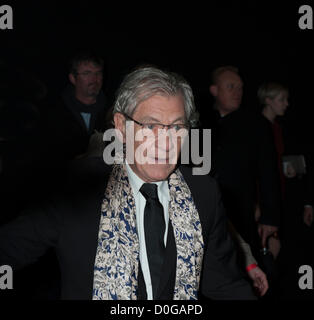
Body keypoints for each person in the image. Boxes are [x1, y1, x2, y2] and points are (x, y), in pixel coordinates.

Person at [0, 66, 256, 300]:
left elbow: (225, 285)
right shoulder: (76, 188)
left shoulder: (203, 193)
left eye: (177, 127)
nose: (165, 143)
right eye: (150, 126)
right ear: (121, 126)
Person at [207, 66, 282, 286]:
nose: (237, 92)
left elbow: (269, 172)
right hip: (207, 211)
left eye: (240, 87)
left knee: (244, 271)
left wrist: (270, 217)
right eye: (231, 87)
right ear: (214, 90)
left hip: (241, 214)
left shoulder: (256, 125)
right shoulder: (199, 122)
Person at [44, 50, 108, 163]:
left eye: (98, 73)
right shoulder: (55, 113)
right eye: (87, 73)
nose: (94, 79)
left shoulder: (113, 111)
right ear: (73, 78)